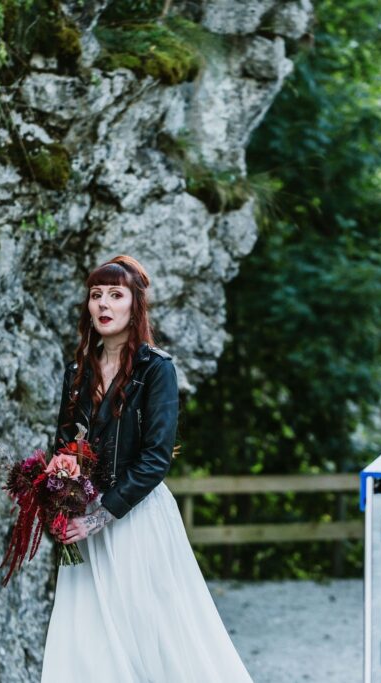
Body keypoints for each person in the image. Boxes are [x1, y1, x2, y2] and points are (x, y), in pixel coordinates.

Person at [41, 255, 254, 682]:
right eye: (96, 295)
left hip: (135, 519)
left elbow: (155, 458)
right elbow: (65, 445)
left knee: (158, 639)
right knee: (88, 643)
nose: (103, 304)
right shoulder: (77, 371)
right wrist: (59, 496)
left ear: (134, 305)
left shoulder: (157, 370)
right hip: (85, 526)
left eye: (115, 295)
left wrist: (101, 516)